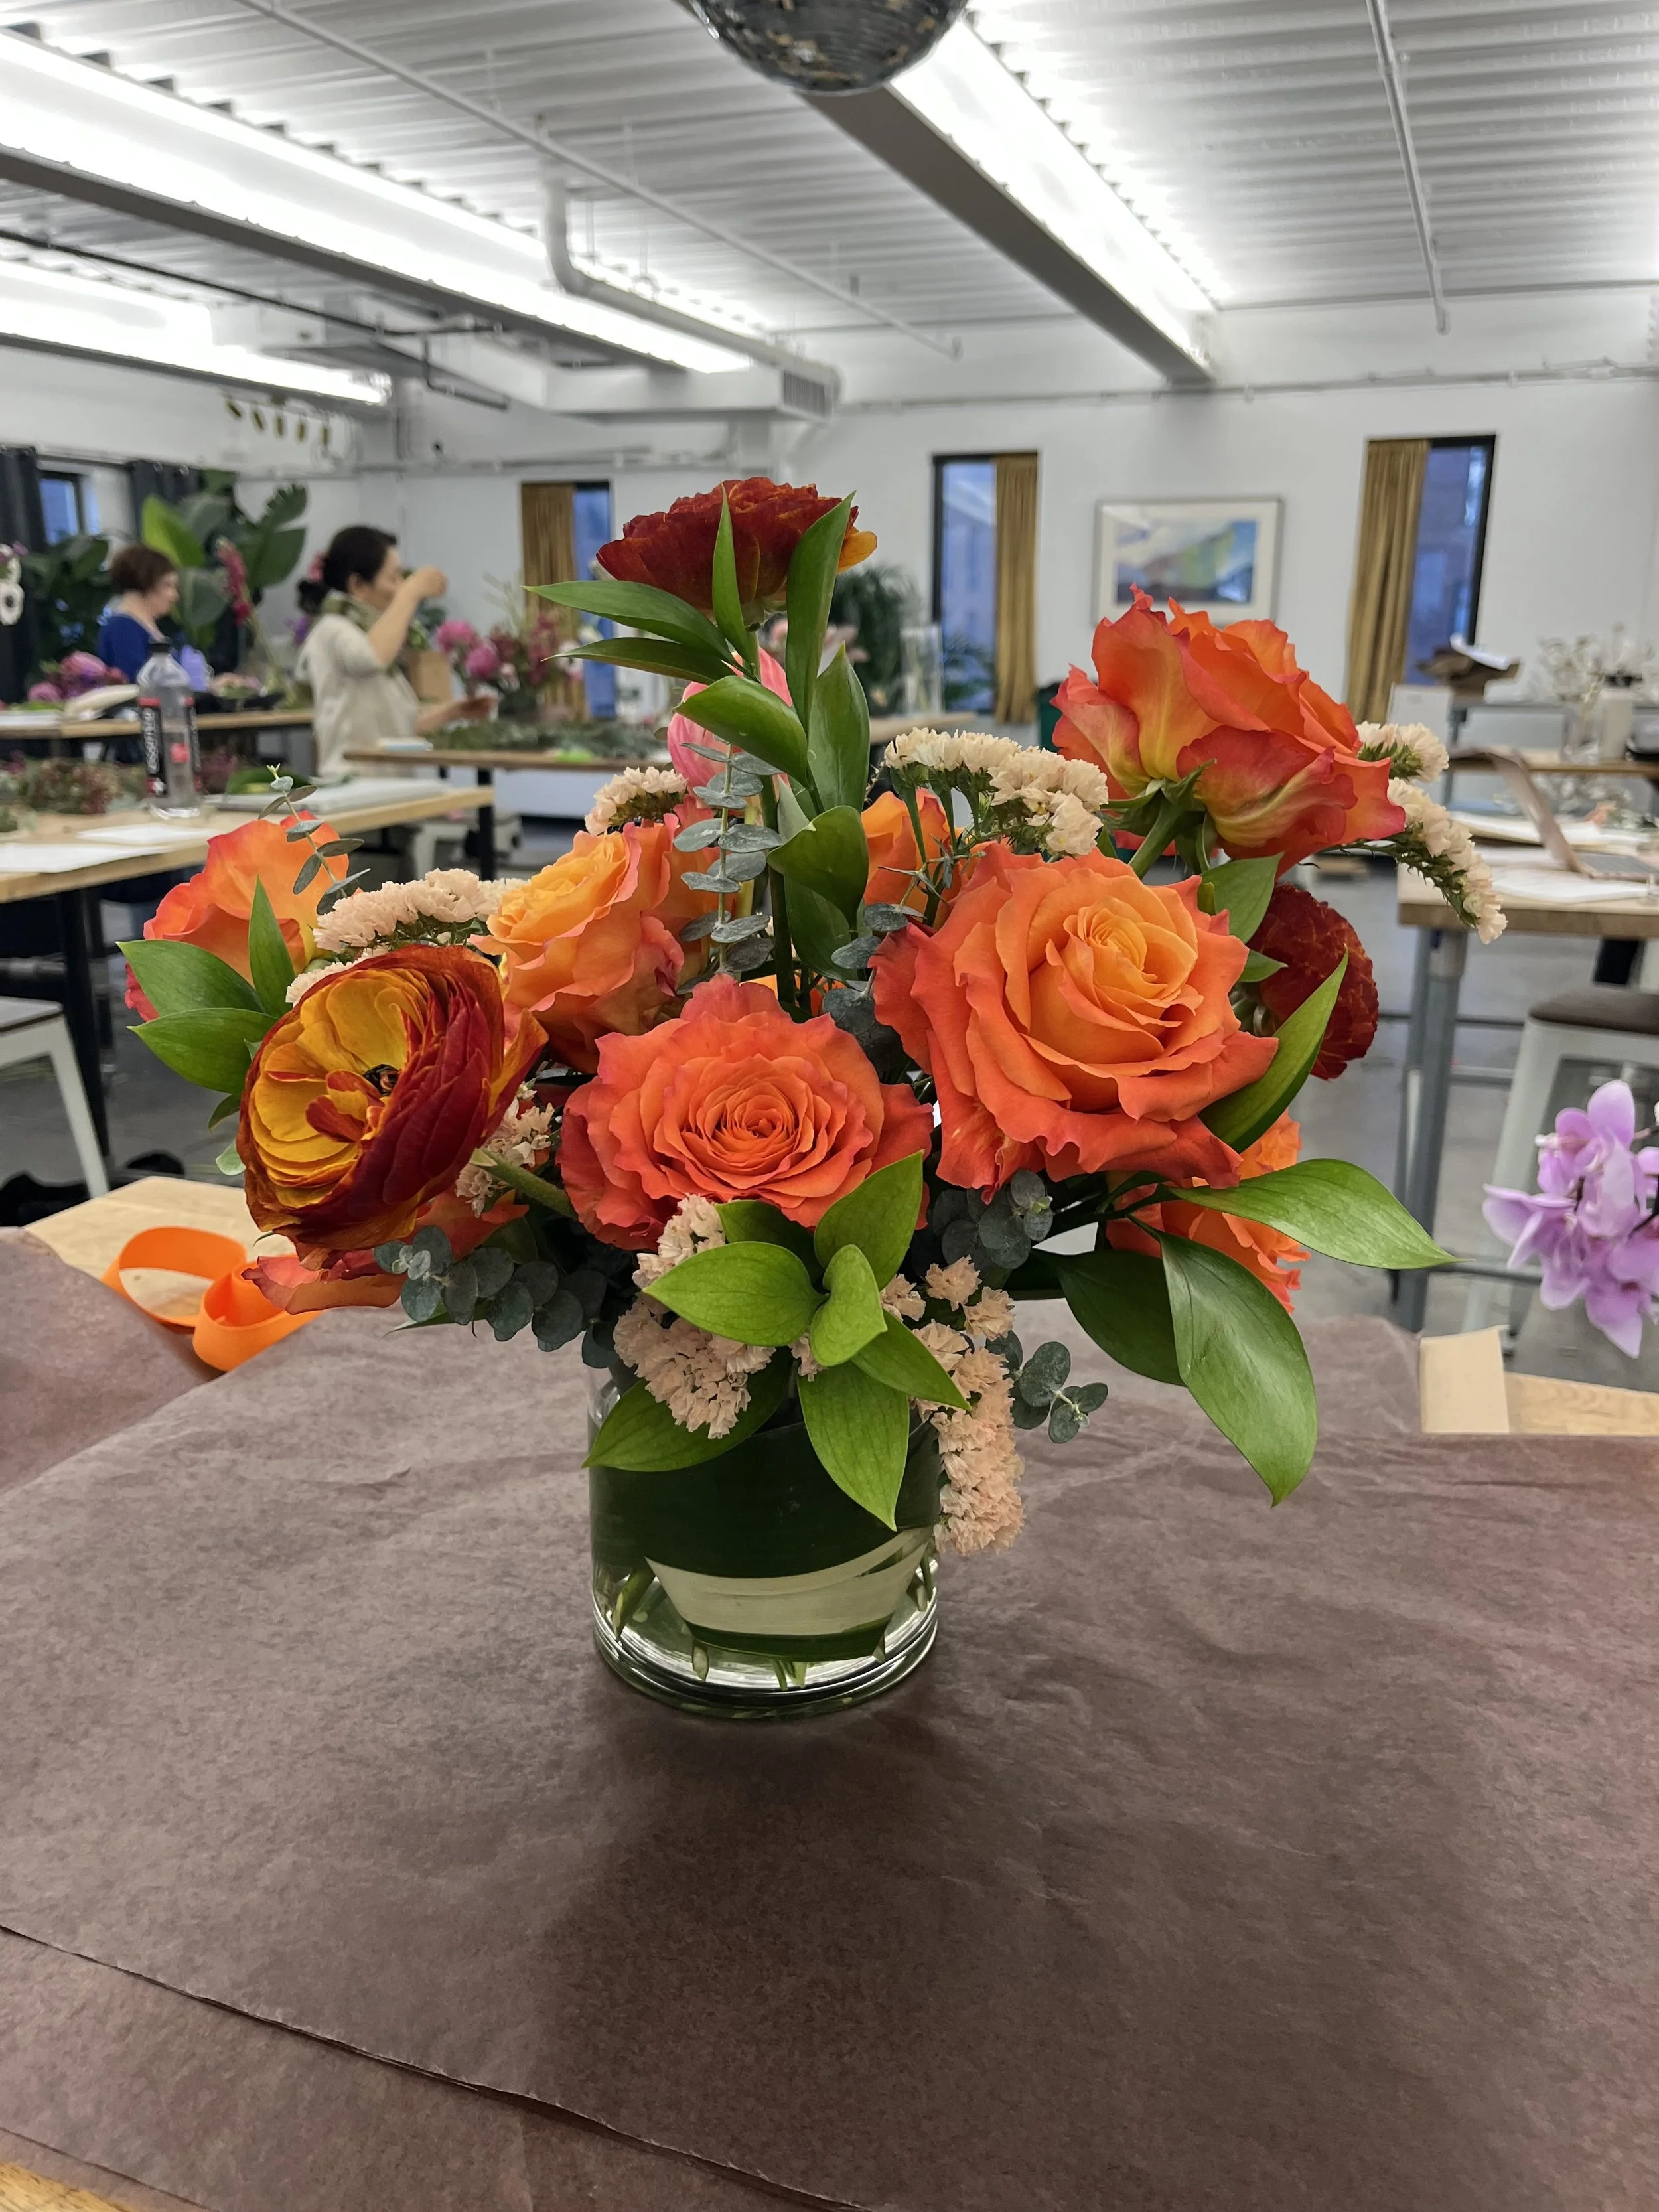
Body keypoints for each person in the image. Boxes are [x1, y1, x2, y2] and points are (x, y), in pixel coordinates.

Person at [297, 526, 490, 780]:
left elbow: (401, 726)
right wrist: (411, 592)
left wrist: (452, 712)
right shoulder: (333, 629)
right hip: (353, 782)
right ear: (358, 585)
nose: (400, 588)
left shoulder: (367, 633)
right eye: (394, 578)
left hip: (390, 784)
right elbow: (371, 658)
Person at [97, 544, 180, 680]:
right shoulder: (122, 629)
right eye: (167, 585)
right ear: (145, 582)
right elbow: (137, 682)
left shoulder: (146, 627)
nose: (174, 596)